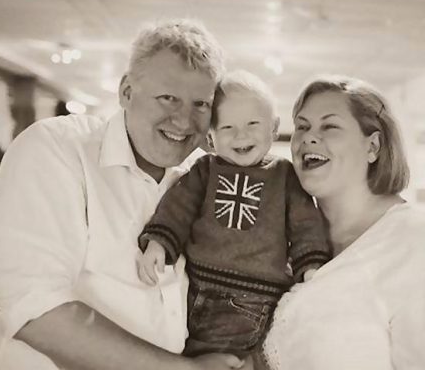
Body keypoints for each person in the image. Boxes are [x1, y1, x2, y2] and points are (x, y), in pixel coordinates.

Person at [0, 20, 252, 370]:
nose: (184, 121)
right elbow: (32, 307)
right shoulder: (56, 148)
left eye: (201, 104)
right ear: (126, 91)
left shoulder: (207, 176)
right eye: (168, 97)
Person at [258, 76, 425, 370]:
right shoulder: (287, 234)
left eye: (329, 126)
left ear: (373, 146)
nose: (308, 138)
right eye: (302, 126)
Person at [137, 70, 331, 358]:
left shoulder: (284, 175)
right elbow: (178, 206)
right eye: (227, 127)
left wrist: (311, 267)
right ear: (211, 138)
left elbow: (305, 223)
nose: (241, 134)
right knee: (181, 352)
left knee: (221, 359)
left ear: (274, 128)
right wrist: (159, 242)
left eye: (253, 123)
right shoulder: (205, 170)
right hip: (195, 287)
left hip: (252, 298)